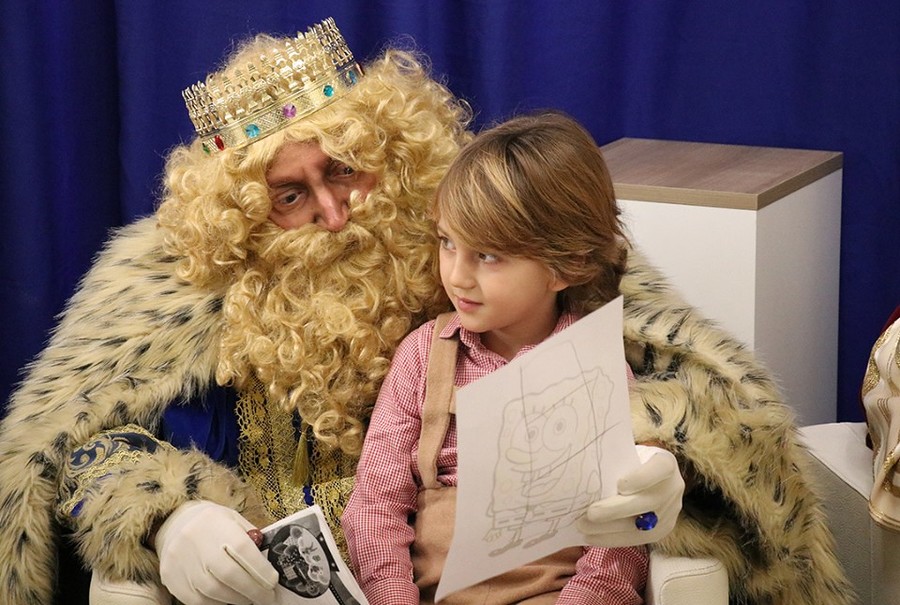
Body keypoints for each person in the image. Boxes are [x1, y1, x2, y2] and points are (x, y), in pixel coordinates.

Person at [0, 16, 850, 605]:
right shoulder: (198, 307)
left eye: (345, 171)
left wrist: (661, 460)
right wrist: (171, 513)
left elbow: (690, 393)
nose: (334, 215)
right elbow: (86, 444)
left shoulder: (486, 241)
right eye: (290, 196)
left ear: (392, 156)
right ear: (246, 220)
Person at [342, 111, 650, 604]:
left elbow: (622, 538)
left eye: (487, 256)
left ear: (565, 266)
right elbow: (375, 504)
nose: (457, 276)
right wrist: (392, 596)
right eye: (447, 243)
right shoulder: (422, 356)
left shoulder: (600, 368)